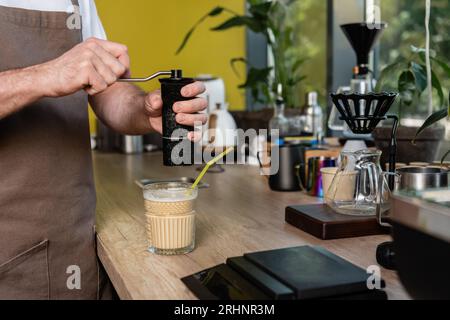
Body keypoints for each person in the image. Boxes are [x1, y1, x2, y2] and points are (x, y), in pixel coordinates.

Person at [0, 0, 207, 299]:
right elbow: (63, 72)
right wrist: (45, 76)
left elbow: (104, 89)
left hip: (71, 244)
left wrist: (143, 109)